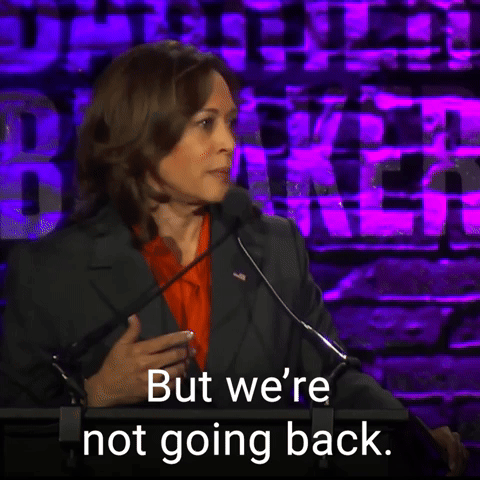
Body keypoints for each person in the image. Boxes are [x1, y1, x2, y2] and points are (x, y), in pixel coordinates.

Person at [0, 40, 468, 474]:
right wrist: (95, 398)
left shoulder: (273, 246)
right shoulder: (50, 272)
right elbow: (15, 445)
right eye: (206, 123)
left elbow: (335, 379)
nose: (229, 142)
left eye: (230, 122)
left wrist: (414, 439)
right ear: (144, 137)